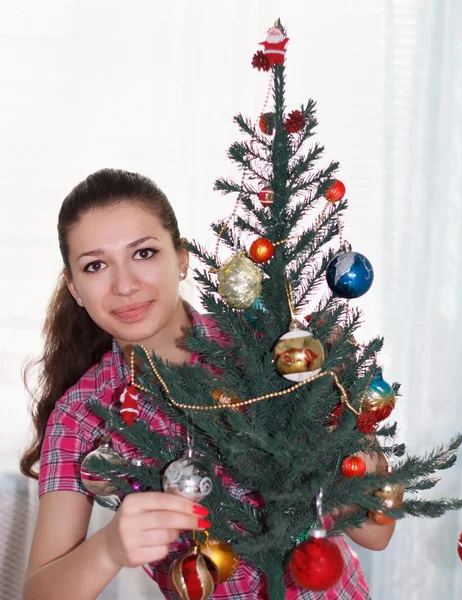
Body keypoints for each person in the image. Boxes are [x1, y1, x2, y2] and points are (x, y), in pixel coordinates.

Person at [21, 168, 394, 600]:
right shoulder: (81, 413)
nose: (124, 285)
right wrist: (108, 549)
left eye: (143, 253)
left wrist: (339, 418)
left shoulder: (276, 347)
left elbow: (375, 535)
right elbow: (38, 592)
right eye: (96, 265)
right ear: (76, 288)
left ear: (181, 259)